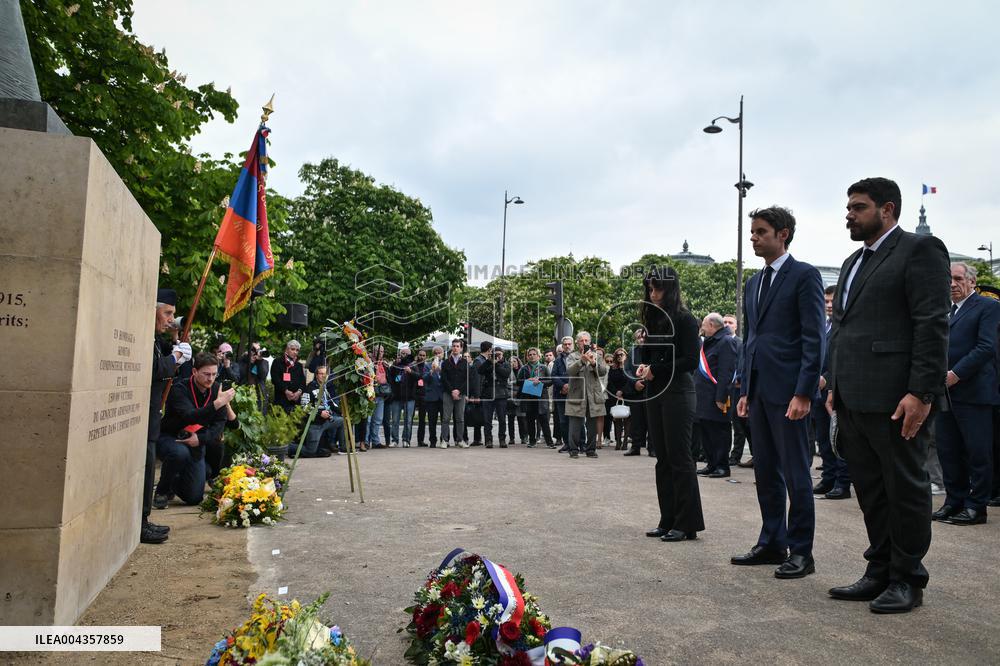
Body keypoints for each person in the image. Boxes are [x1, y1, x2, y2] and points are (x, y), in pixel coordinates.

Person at [826, 177, 950, 613]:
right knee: (872, 490)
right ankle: (879, 569)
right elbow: (841, 329)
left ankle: (907, 578)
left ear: (888, 209)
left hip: (898, 398)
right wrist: (834, 384)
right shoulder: (851, 261)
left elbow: (932, 323)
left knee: (905, 489)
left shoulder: (920, 249)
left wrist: (921, 392)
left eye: (858, 207)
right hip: (853, 395)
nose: (849, 215)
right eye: (848, 207)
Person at [732, 206, 824, 579]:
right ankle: (772, 542)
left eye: (761, 232)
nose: (753, 237)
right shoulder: (753, 283)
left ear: (782, 234)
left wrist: (804, 392)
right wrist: (745, 388)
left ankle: (801, 552)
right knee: (766, 470)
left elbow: (813, 337)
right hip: (758, 392)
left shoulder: (804, 275)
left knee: (796, 474)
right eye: (752, 232)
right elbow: (750, 340)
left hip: (789, 394)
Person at [636, 267, 705, 543]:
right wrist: (644, 363)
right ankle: (668, 519)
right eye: (650, 289)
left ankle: (687, 523)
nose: (653, 294)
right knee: (662, 458)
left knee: (680, 458)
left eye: (658, 288)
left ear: (670, 288)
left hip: (678, 393)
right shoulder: (654, 320)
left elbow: (690, 361)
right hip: (656, 393)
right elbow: (652, 358)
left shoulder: (686, 319)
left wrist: (656, 369)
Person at [934, 262, 1000, 525]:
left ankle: (976, 506)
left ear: (972, 281)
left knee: (977, 452)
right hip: (944, 394)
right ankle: (954, 501)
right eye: (948, 279)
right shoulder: (945, 310)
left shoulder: (988, 307)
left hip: (974, 393)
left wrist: (955, 374)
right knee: (948, 451)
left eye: (958, 278)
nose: (952, 284)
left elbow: (986, 347)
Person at [153, 352, 236, 508]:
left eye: (214, 374)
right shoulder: (179, 388)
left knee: (194, 498)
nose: (210, 379)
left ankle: (187, 477)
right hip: (171, 437)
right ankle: (162, 490)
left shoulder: (216, 389)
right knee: (180, 453)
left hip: (197, 441)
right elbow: (189, 416)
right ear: (194, 371)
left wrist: (200, 439)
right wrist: (217, 404)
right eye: (206, 374)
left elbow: (220, 423)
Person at [141, 288, 190, 544]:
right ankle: (141, 523)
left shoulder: (155, 340)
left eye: (172, 314)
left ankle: (143, 520)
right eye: (167, 313)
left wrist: (175, 349)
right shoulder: (144, 338)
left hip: (151, 416)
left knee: (149, 468)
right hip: (145, 415)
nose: (171, 319)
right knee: (146, 468)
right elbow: (154, 369)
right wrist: (177, 356)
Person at [813, 285, 852, 499]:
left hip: (836, 390)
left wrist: (827, 379)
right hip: (819, 391)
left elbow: (843, 358)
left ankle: (842, 482)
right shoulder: (824, 325)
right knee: (824, 439)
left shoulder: (845, 325)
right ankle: (828, 477)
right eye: (826, 301)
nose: (829, 305)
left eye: (832, 301)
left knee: (838, 438)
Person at [695, 313, 738, 478]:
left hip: (718, 396)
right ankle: (711, 463)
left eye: (704, 325)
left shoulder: (726, 341)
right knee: (707, 431)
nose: (702, 328)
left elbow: (726, 372)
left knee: (719, 432)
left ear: (712, 325)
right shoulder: (711, 341)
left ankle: (722, 466)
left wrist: (721, 397)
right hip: (705, 395)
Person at [565, 331, 608, 458]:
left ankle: (591, 450)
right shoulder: (572, 356)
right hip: (577, 395)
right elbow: (570, 371)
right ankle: (573, 450)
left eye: (586, 341)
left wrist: (594, 363)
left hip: (593, 395)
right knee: (575, 425)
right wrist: (582, 361)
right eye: (581, 341)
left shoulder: (597, 356)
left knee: (592, 426)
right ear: (577, 343)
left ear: (590, 342)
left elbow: (603, 371)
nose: (584, 343)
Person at [294, 365, 344, 457]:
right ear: (316, 375)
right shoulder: (309, 387)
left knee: (342, 421)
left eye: (325, 374)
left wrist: (341, 412)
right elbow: (304, 407)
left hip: (326, 421)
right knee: (310, 451)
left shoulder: (324, 387)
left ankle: (344, 448)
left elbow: (331, 403)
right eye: (321, 374)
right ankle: (289, 448)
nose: (323, 376)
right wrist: (320, 413)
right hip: (315, 424)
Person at [723, 314, 752, 467]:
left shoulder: (740, 343)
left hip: (738, 387)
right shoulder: (720, 342)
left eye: (730, 322)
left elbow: (742, 363)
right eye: (724, 322)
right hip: (723, 387)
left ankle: (736, 455)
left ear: (736, 326)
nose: (727, 324)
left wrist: (740, 380)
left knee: (740, 423)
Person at [517, 347, 554, 447]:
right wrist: (527, 380)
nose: (532, 356)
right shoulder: (523, 368)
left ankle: (549, 442)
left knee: (544, 420)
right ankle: (532, 441)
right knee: (530, 420)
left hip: (541, 397)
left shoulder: (544, 367)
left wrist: (540, 381)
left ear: (538, 356)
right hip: (528, 397)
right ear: (527, 357)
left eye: (534, 354)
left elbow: (550, 381)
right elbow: (518, 382)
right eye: (530, 355)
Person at [622, 329, 649, 457]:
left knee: (651, 421)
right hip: (635, 391)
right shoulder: (632, 352)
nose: (641, 339)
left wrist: (645, 382)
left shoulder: (653, 351)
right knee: (636, 421)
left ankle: (653, 448)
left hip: (650, 390)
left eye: (643, 337)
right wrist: (635, 383)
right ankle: (635, 447)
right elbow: (626, 370)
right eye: (638, 337)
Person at [480, 346, 512, 447]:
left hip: (501, 394)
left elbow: (505, 374)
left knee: (502, 419)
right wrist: (488, 361)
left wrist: (496, 363)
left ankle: (502, 439)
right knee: (487, 419)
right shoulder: (488, 363)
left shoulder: (506, 364)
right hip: (488, 394)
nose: (497, 356)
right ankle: (488, 440)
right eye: (495, 354)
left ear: (503, 355)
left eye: (499, 354)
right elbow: (480, 371)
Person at [440, 339, 469, 448]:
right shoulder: (446, 362)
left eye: (457, 346)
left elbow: (467, 379)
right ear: (451, 347)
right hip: (448, 393)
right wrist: (452, 390)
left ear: (461, 348)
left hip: (461, 394)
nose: (455, 348)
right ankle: (444, 440)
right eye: (454, 346)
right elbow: (444, 379)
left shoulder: (465, 363)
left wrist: (459, 391)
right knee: (446, 418)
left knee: (460, 418)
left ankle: (460, 440)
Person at [388, 345, 418, 447]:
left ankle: (406, 440)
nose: (403, 355)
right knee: (395, 420)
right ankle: (394, 440)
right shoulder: (396, 364)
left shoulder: (413, 364)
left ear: (409, 354)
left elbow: (419, 377)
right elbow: (390, 377)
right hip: (397, 397)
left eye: (405, 353)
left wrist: (411, 371)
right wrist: (394, 365)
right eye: (402, 353)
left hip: (409, 397)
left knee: (408, 420)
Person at [270, 339, 306, 413]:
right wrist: (285, 391)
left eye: (297, 350)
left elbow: (303, 382)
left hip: (295, 401)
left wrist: (299, 392)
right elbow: (275, 379)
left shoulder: (299, 365)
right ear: (286, 349)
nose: (295, 352)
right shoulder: (277, 362)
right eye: (292, 349)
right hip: (281, 400)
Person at [551, 337, 573, 451]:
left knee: (576, 420)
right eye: (565, 344)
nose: (567, 346)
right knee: (563, 421)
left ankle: (579, 444)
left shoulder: (578, 357)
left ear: (572, 345)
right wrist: (563, 385)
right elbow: (553, 375)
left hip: (575, 393)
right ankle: (567, 443)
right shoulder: (557, 360)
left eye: (569, 344)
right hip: (561, 394)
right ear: (562, 346)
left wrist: (570, 385)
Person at [606, 348, 630, 450]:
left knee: (627, 419)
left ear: (626, 356)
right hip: (615, 396)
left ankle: (625, 442)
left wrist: (622, 391)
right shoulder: (612, 368)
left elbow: (630, 380)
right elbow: (609, 382)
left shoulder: (629, 367)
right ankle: (618, 441)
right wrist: (616, 392)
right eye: (617, 355)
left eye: (622, 355)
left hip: (627, 395)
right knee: (617, 419)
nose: (619, 356)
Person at [237, 341, 270, 414]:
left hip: (259, 396)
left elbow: (263, 375)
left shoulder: (264, 362)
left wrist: (259, 362)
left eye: (258, 349)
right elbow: (240, 375)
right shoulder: (243, 360)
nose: (255, 352)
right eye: (253, 349)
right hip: (245, 394)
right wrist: (250, 362)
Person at [422, 352, 445, 447]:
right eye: (435, 353)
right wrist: (431, 370)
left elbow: (448, 377)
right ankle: (432, 440)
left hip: (443, 396)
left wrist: (440, 370)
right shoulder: (427, 365)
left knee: (445, 420)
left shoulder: (445, 364)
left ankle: (444, 439)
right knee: (432, 421)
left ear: (442, 354)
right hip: (431, 397)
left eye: (439, 353)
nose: (437, 355)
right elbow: (424, 378)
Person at [507, 356, 527, 444]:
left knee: (522, 419)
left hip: (521, 396)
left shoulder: (523, 370)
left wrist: (517, 389)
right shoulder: (507, 371)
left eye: (514, 361)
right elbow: (506, 384)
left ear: (518, 362)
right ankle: (512, 438)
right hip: (510, 397)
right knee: (510, 419)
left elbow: (525, 382)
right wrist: (517, 384)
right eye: (510, 362)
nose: (513, 363)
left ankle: (524, 437)